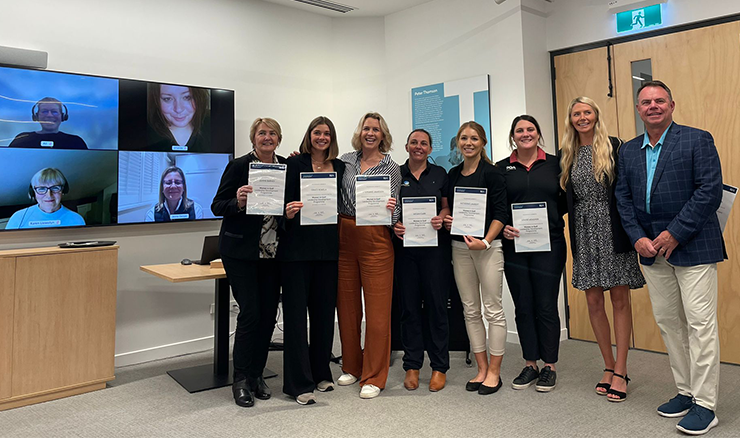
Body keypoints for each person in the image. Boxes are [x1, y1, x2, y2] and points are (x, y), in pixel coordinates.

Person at [615, 80, 724, 435]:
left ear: (672, 105)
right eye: (646, 102)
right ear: (638, 109)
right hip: (650, 251)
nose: (653, 106)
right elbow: (623, 200)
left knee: (699, 325)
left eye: (659, 100)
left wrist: (674, 233)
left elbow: (709, 191)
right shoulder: (629, 150)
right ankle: (686, 390)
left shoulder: (697, 139)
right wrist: (638, 238)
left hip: (692, 246)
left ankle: (706, 405)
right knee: (669, 324)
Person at [560, 97, 645, 402]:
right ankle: (607, 366)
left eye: (587, 112)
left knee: (619, 298)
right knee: (594, 301)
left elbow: (629, 190)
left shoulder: (615, 146)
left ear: (596, 115)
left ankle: (621, 369)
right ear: (571, 119)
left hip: (613, 230)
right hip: (583, 232)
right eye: (576, 113)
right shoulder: (566, 153)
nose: (582, 117)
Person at [211, 117, 287, 408]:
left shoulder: (285, 167)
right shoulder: (240, 166)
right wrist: (238, 202)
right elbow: (218, 205)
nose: (267, 138)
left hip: (272, 253)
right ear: (253, 138)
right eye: (262, 133)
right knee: (251, 313)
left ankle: (257, 375)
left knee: (268, 315)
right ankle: (240, 379)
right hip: (241, 253)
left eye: (272, 133)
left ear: (279, 139)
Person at [278, 116, 346, 405]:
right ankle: (297, 383)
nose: (322, 137)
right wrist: (288, 212)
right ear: (309, 135)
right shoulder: (295, 164)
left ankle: (321, 373)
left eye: (327, 133)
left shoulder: (340, 167)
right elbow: (279, 205)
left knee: (323, 317)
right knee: (295, 319)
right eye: (317, 133)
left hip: (328, 251)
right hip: (296, 252)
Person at [497, 115, 566, 393]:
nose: (525, 134)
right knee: (523, 306)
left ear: (538, 133)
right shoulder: (502, 169)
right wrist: (503, 228)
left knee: (546, 304)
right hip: (515, 246)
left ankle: (549, 365)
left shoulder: (556, 164)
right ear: (513, 136)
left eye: (530, 129)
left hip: (549, 244)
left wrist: (547, 220)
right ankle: (530, 363)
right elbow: (497, 207)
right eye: (520, 130)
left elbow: (564, 201)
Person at [336, 112, 400, 399]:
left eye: (376, 129)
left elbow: (396, 212)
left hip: (376, 236)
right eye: (366, 128)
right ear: (360, 132)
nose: (370, 133)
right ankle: (352, 365)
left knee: (377, 314)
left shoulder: (392, 167)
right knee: (347, 308)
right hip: (345, 232)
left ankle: (374, 375)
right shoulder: (345, 161)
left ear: (382, 134)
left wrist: (392, 207)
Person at [443, 121, 508, 395]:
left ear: (483, 142)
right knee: (470, 310)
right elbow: (449, 208)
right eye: (463, 138)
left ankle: (495, 371)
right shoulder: (453, 174)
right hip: (459, 248)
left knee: (493, 309)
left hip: (487, 248)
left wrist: (486, 241)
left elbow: (501, 214)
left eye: (474, 138)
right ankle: (481, 368)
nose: (468, 143)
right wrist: (448, 221)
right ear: (458, 142)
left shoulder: (492, 174)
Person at [392, 129, 451, 392]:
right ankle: (413, 365)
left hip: (435, 251)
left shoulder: (440, 174)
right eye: (414, 142)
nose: (418, 147)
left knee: (437, 307)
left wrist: (442, 216)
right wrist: (395, 225)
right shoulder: (396, 175)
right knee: (409, 308)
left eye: (423, 143)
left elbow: (447, 206)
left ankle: (439, 367)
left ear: (430, 148)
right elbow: (388, 207)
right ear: (406, 146)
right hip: (405, 251)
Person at [5, 167, 86, 229]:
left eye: (55, 188)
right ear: (33, 192)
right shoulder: (18, 217)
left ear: (63, 190)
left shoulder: (77, 220)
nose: (49, 195)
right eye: (41, 189)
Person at [147, 84, 210, 152]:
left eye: (187, 97)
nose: (178, 109)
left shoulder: (214, 123)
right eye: (167, 99)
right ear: (156, 100)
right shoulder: (143, 132)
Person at [9, 97, 88, 149]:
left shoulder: (75, 142)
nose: (49, 115)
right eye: (44, 111)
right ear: (36, 116)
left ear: (63, 116)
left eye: (54, 112)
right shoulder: (22, 139)